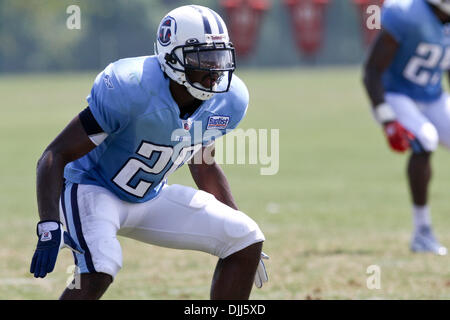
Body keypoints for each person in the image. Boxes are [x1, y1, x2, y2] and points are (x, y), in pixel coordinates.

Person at [30, 5, 268, 299]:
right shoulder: (130, 87)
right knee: (101, 266)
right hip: (92, 188)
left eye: (218, 57)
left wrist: (235, 231)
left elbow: (204, 164)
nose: (214, 70)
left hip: (150, 195)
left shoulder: (229, 100)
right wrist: (49, 223)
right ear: (171, 57)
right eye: (202, 58)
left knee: (246, 236)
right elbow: (54, 155)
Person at [363, 0, 450, 255]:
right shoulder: (408, 15)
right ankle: (422, 232)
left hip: (432, 95)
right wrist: (387, 117)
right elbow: (371, 71)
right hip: (395, 94)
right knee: (425, 138)